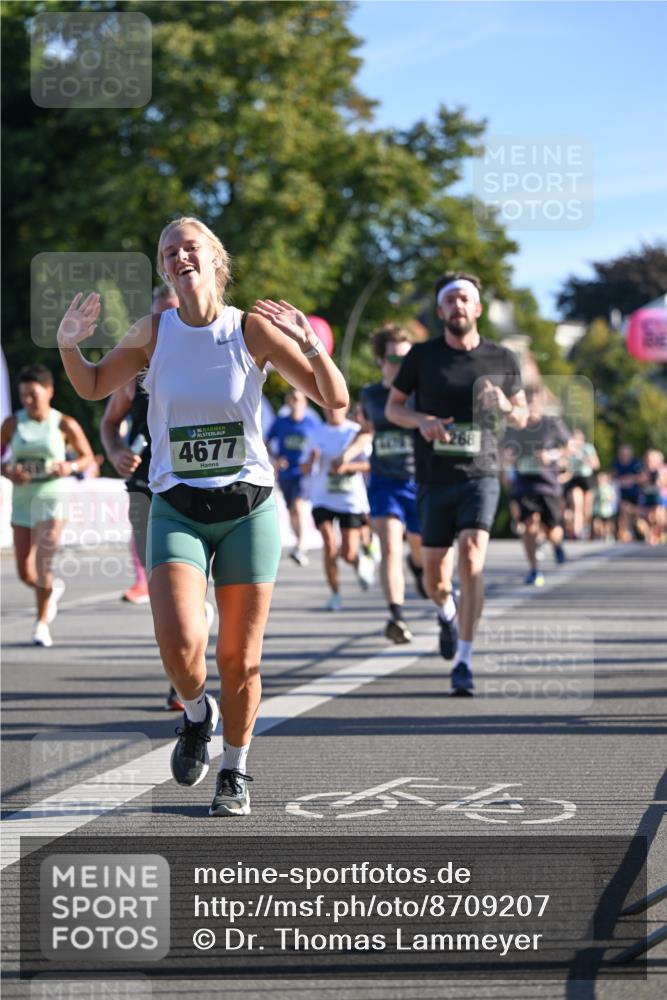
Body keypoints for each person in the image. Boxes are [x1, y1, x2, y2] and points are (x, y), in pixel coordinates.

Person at [57, 215, 348, 817]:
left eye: (190, 247)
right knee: (180, 641)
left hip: (248, 507)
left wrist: (310, 343)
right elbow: (89, 387)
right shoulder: (153, 332)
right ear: (163, 266)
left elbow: (335, 399)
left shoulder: (252, 330)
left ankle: (236, 770)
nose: (178, 257)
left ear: (215, 258)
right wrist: (68, 342)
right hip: (177, 505)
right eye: (168, 251)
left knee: (240, 659)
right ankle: (197, 715)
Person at [386, 272, 526, 695]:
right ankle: (445, 611)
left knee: (472, 557)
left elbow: (522, 416)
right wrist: (422, 420)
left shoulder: (502, 358)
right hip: (433, 476)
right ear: (441, 310)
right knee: (435, 578)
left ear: (478, 308)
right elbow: (395, 409)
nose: (458, 306)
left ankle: (464, 659)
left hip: (481, 473)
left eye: (465, 299)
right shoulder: (423, 357)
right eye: (450, 300)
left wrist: (505, 404)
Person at [100, 284, 215, 712]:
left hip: (208, 485)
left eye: (175, 312)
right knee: (164, 589)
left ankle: (192, 649)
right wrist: (114, 451)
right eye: (159, 316)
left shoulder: (218, 354)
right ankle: (181, 678)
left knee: (193, 595)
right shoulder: (137, 370)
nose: (167, 324)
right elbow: (110, 421)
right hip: (150, 481)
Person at [0, 364, 95, 646]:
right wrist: (8, 471)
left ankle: (41, 624)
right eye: (23, 396)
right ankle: (51, 590)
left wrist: (70, 466)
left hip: (53, 499)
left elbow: (87, 456)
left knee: (43, 564)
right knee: (25, 572)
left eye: (33, 395)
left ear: (49, 392)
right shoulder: (13, 424)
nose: (28, 401)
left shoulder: (63, 423)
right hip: (23, 500)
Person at [345, 325, 425, 643]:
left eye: (406, 358)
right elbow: (367, 431)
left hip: (419, 481)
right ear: (380, 360)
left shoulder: (423, 393)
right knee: (390, 546)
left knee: (420, 550)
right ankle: (397, 616)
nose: (399, 364)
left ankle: (418, 566)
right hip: (384, 482)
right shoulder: (371, 395)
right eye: (393, 357)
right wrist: (347, 453)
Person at [300, 405, 373, 610]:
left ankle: (360, 562)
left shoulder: (355, 431)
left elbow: (369, 465)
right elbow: (304, 469)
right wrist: (312, 460)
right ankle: (335, 594)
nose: (332, 411)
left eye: (337, 408)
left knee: (348, 553)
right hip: (322, 497)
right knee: (329, 544)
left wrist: (346, 467)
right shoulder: (316, 432)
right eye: (328, 408)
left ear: (345, 408)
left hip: (350, 499)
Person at [503, 387, 569, 586]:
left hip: (548, 484)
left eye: (534, 403)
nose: (530, 407)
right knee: (529, 525)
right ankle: (534, 569)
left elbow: (568, 447)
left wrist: (552, 456)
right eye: (526, 403)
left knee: (552, 530)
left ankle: (557, 544)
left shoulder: (552, 424)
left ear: (541, 405)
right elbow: (504, 450)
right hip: (524, 483)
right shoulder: (514, 426)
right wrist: (507, 464)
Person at [266, 388, 320, 566]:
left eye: (298, 399)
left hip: (303, 473)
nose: (295, 402)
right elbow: (265, 441)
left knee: (298, 506)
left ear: (305, 402)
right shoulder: (280, 422)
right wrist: (275, 459)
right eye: (292, 399)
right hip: (286, 472)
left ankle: (302, 546)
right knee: (291, 510)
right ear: (288, 402)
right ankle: (299, 543)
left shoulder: (312, 423)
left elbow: (319, 446)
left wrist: (311, 463)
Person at [561, 429, 599, 539]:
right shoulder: (569, 450)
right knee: (577, 505)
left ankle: (586, 527)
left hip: (586, 478)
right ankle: (577, 532)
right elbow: (565, 466)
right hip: (574, 479)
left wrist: (584, 458)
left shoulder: (588, 448)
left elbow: (596, 464)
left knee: (587, 509)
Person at [612, 443, 642, 542]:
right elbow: (613, 476)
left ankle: (637, 532)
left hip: (636, 495)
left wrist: (631, 479)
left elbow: (643, 477)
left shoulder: (636, 463)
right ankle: (624, 532)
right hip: (622, 495)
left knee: (636, 516)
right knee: (623, 510)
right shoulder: (617, 463)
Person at [636, 448, 666, 546]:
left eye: (652, 459)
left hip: (660, 498)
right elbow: (639, 481)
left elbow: (662, 483)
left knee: (658, 514)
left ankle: (659, 534)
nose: (650, 462)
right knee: (640, 521)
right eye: (648, 459)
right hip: (646, 498)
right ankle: (650, 535)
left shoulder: (663, 470)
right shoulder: (642, 470)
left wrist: (658, 476)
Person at [591, 470, 618, 542]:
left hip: (607, 511)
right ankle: (599, 535)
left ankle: (608, 535)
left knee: (608, 525)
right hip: (598, 510)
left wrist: (607, 498)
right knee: (597, 523)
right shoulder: (595, 488)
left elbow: (613, 497)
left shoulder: (609, 488)